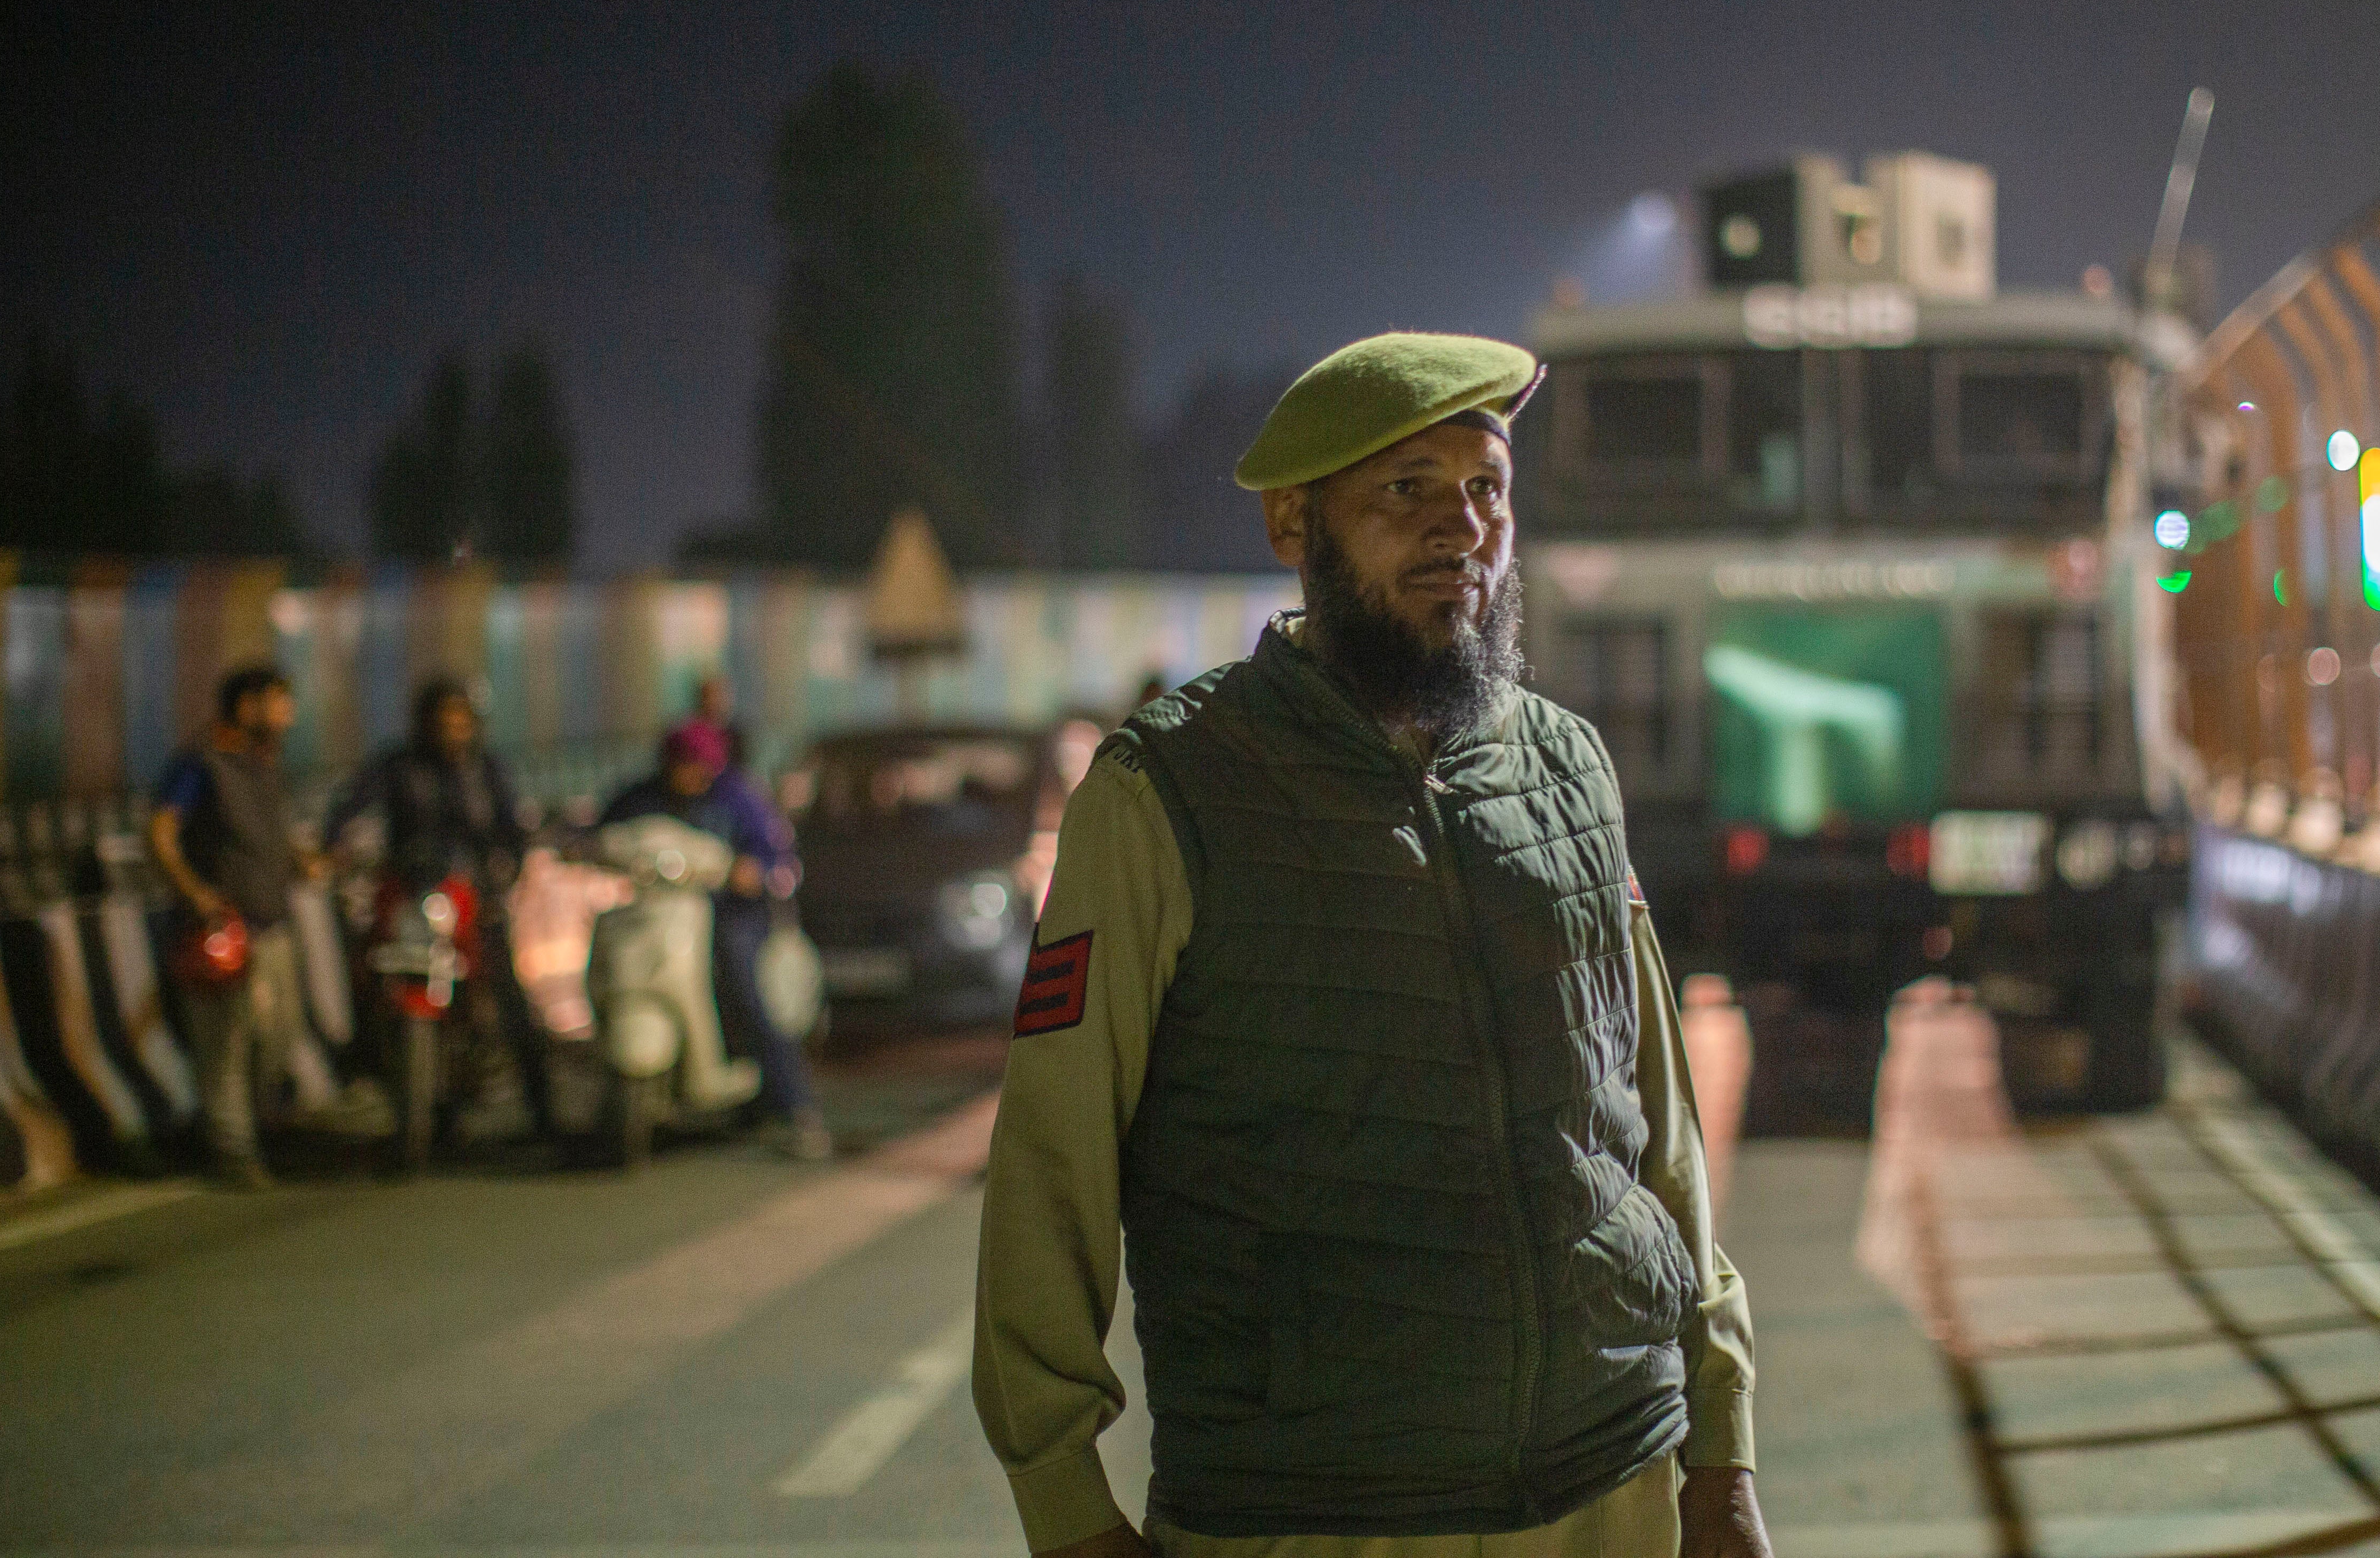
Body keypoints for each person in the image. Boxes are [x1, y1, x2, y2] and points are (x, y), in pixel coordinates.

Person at [972, 333, 1765, 1558]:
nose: (1463, 527)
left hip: (1614, 1484)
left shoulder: (1569, 766)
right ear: (1294, 523)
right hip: (1313, 1511)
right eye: (1405, 489)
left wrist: (1720, 1444)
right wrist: (1066, 1509)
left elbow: (1654, 1128)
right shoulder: (1165, 793)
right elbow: (1048, 1166)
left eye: (1488, 489)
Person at [325, 677, 554, 1141]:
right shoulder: (397, 767)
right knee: (367, 976)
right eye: (442, 719)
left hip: (473, 900)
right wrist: (334, 848)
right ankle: (364, 1071)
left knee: (510, 1004)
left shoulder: (485, 770)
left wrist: (510, 866)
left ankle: (544, 1115)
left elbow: (512, 827)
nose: (451, 728)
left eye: (460, 719)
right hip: (411, 897)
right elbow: (347, 812)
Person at [600, 721, 828, 1160]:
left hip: (729, 916)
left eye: (699, 766)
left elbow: (771, 853)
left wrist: (752, 870)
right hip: (659, 914)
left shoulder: (737, 797)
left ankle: (796, 1109)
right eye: (682, 764)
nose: (691, 775)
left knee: (746, 988)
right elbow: (601, 833)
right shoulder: (640, 798)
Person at [147, 664, 318, 1190]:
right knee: (223, 1045)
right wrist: (193, 892)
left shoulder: (264, 766)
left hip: (273, 927)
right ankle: (233, 1151)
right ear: (247, 707)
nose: (288, 715)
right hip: (221, 933)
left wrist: (302, 860)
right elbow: (160, 830)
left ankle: (254, 1130)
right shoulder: (200, 765)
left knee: (278, 1038)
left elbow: (269, 835)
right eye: (279, 703)